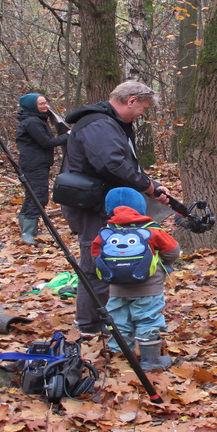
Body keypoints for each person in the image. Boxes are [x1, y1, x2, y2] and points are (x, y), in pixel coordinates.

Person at [61, 81, 170, 339]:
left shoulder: (112, 125)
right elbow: (112, 163)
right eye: (142, 108)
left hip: (103, 202)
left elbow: (124, 163)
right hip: (90, 205)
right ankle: (89, 327)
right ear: (131, 100)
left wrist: (150, 185)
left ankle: (112, 321)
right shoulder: (98, 124)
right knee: (96, 262)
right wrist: (148, 187)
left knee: (109, 258)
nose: (143, 114)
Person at [92, 187, 180, 371]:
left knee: (119, 322)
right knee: (148, 320)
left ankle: (122, 361)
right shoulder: (151, 229)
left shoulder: (105, 231)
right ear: (141, 207)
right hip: (149, 288)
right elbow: (173, 251)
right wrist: (163, 264)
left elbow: (95, 255)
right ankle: (151, 361)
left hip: (117, 288)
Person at [15, 93, 69, 245]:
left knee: (31, 195)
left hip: (33, 163)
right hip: (34, 165)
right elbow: (46, 142)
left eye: (46, 103)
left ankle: (28, 230)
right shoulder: (32, 122)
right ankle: (27, 234)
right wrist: (67, 136)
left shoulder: (35, 120)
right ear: (32, 106)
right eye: (41, 104)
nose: (46, 106)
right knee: (39, 196)